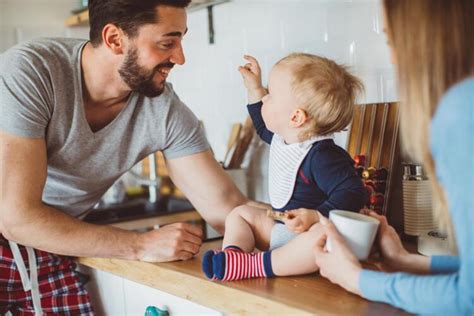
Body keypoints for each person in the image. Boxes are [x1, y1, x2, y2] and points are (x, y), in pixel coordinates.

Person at [0, 0, 258, 314]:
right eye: (167, 43)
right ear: (114, 39)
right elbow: (16, 218)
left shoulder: (163, 110)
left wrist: (310, 232)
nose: (180, 57)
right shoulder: (31, 72)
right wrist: (140, 245)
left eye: (181, 41)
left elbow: (228, 207)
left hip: (48, 248)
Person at [312, 0, 474, 314]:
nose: (393, 56)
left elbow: (468, 299)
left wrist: (357, 279)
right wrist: (407, 261)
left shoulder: (461, 111)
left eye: (391, 39)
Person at [202, 53, 368, 281]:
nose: (265, 99)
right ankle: (233, 257)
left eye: (270, 95)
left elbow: (354, 192)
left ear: (296, 117)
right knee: (240, 214)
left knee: (322, 235)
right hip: (284, 232)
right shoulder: (286, 139)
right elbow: (262, 125)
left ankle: (254, 266)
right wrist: (254, 89)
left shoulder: (323, 156)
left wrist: (316, 216)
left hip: (308, 243)